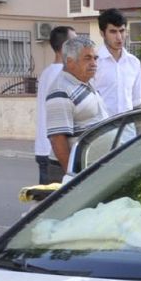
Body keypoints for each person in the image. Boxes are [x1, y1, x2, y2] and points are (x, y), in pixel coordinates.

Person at [43, 35, 106, 177]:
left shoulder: (84, 82)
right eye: (87, 58)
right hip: (73, 171)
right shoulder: (60, 90)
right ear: (70, 62)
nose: (94, 63)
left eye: (95, 58)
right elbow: (57, 139)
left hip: (88, 166)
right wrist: (71, 176)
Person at [34, 25, 73, 183]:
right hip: (54, 151)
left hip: (45, 147)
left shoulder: (47, 72)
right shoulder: (61, 75)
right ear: (65, 47)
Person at [92, 7, 141, 116]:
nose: (119, 37)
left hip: (128, 128)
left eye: (122, 31)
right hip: (102, 127)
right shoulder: (94, 62)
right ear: (102, 33)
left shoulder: (134, 63)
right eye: (113, 32)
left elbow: (136, 101)